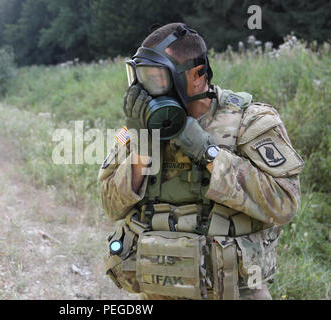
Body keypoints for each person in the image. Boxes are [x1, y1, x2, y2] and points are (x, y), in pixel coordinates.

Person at [99, 23, 304, 300]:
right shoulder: (139, 130)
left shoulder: (250, 121)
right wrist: (141, 146)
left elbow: (284, 203)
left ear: (197, 75)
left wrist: (209, 153)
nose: (145, 91)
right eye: (139, 78)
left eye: (156, 78)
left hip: (234, 291)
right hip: (159, 289)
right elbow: (111, 206)